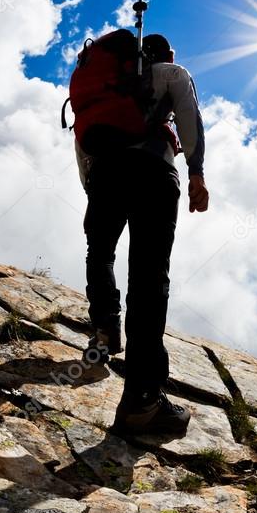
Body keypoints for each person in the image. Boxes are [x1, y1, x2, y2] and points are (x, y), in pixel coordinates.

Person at [75, 31, 208, 436]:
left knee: (100, 252)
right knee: (149, 276)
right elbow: (188, 116)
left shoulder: (103, 88)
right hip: (153, 170)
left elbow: (83, 142)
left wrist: (94, 188)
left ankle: (105, 326)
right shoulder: (170, 72)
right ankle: (142, 400)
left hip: (105, 173)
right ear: (165, 53)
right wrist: (197, 171)